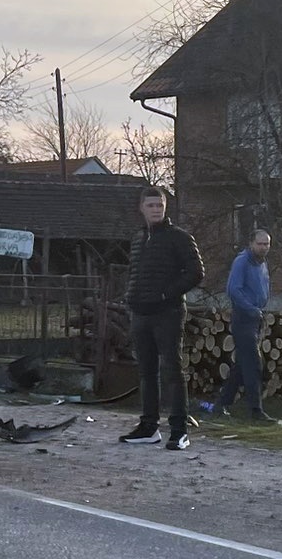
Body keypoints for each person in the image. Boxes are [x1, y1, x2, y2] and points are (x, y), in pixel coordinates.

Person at [119, 186, 205, 451]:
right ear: (141, 208)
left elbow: (196, 272)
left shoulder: (179, 237)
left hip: (168, 313)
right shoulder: (137, 239)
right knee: (146, 372)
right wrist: (130, 297)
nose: (155, 210)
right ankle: (149, 427)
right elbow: (135, 272)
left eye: (160, 205)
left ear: (165, 208)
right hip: (140, 313)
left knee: (172, 370)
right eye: (151, 205)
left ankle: (179, 431)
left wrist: (167, 293)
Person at [216, 230, 276, 421]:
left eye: (267, 244)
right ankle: (255, 411)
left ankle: (220, 405)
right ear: (251, 243)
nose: (264, 247)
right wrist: (251, 309)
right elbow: (233, 290)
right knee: (253, 364)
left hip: (256, 317)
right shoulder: (242, 261)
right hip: (244, 317)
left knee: (242, 365)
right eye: (260, 244)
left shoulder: (262, 262)